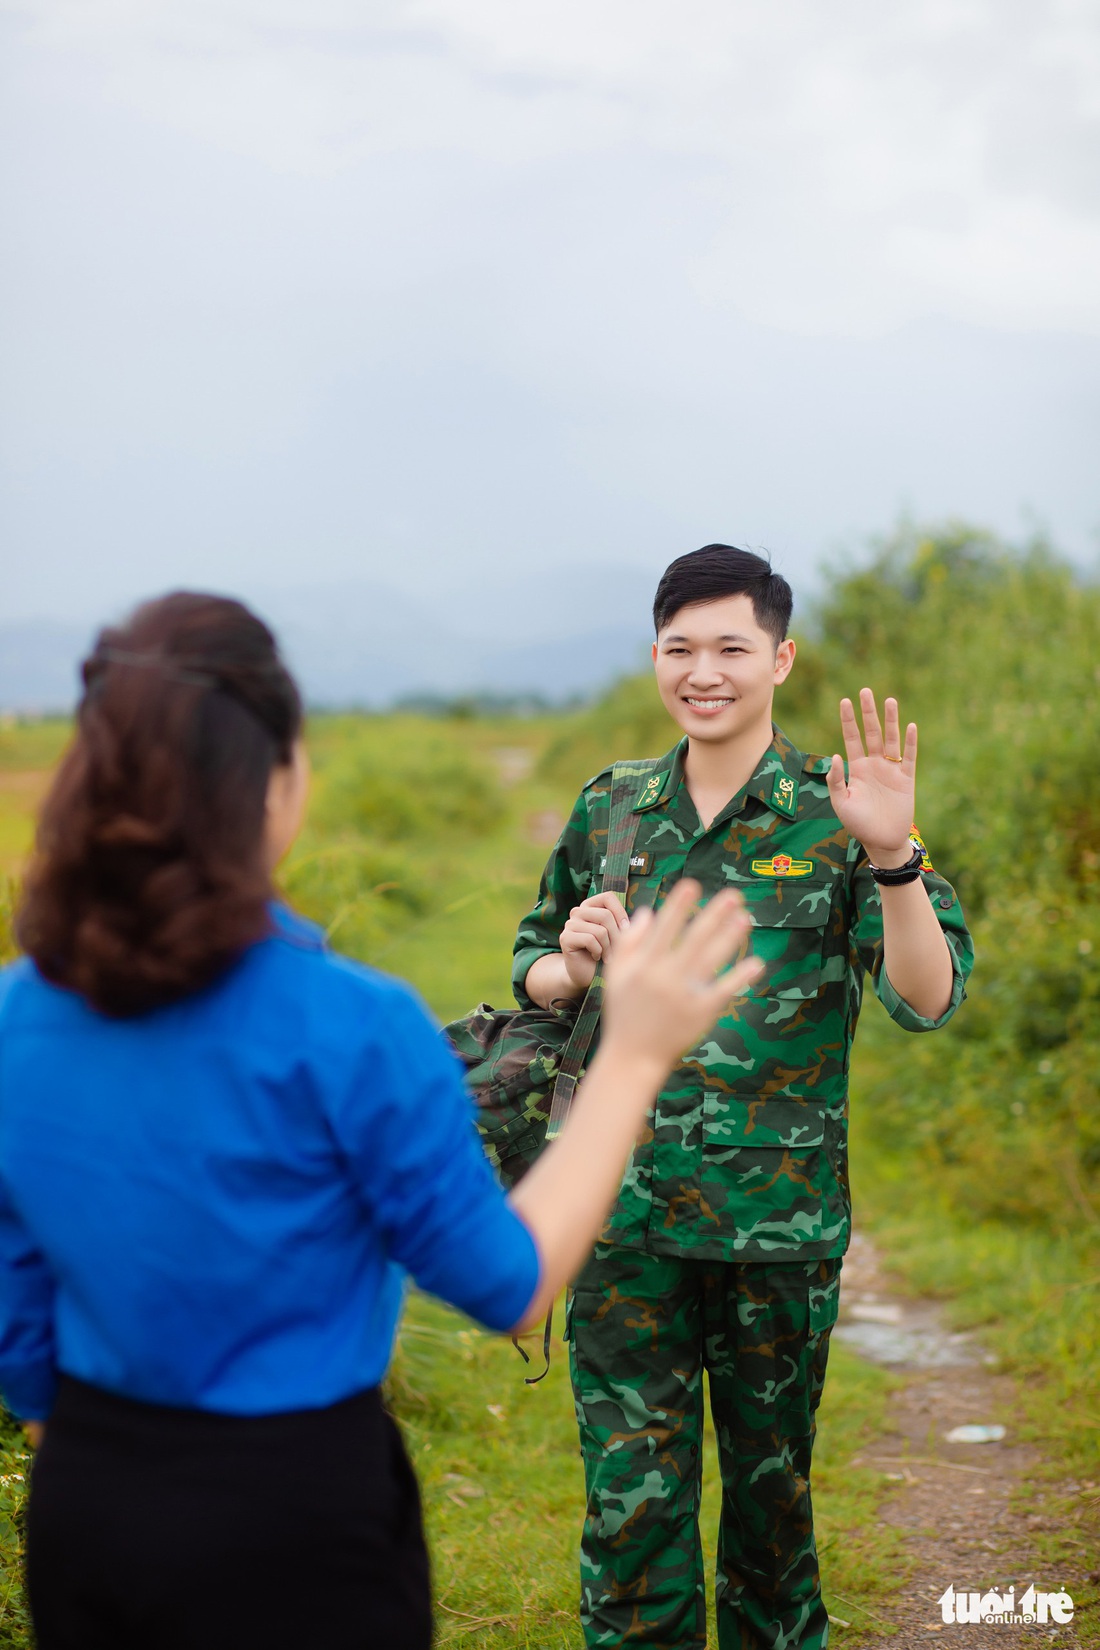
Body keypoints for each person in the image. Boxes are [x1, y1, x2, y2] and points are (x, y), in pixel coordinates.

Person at [0, 590, 764, 1650]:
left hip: (89, 1506)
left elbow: (23, 1326)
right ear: (274, 777)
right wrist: (632, 1052)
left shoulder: (16, 1017)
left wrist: (112, 1466)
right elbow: (505, 1281)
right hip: (301, 1518)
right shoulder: (352, 1027)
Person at [513, 544, 975, 1650]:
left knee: (771, 1523)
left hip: (777, 1233)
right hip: (621, 1223)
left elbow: (927, 996)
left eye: (729, 647)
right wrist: (572, 965)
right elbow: (531, 974)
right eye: (679, 648)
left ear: (780, 657)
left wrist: (893, 857)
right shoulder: (612, 807)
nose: (701, 671)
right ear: (655, 658)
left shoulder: (837, 813)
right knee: (629, 1520)